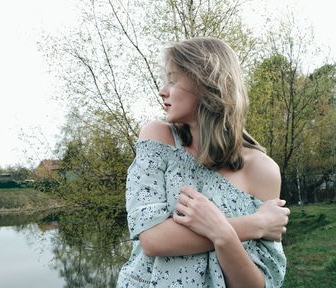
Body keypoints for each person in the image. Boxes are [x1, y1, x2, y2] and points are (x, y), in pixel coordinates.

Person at [117, 37, 290, 288]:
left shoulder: (263, 170)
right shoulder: (158, 138)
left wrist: (223, 235)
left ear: (207, 83)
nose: (162, 91)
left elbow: (256, 284)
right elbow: (153, 240)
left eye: (173, 80)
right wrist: (256, 224)